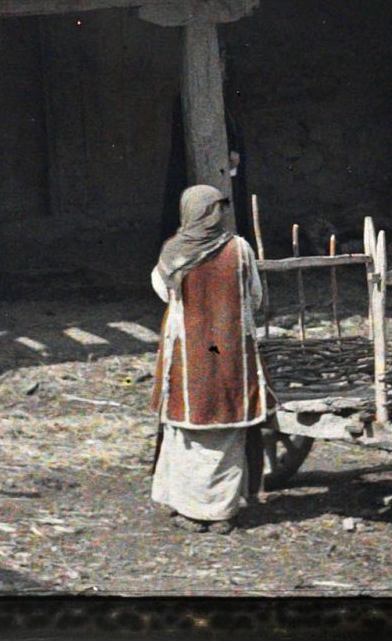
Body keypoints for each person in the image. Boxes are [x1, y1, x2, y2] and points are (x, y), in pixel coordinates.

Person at [149, 184, 269, 533]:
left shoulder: (174, 253)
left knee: (188, 429)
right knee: (226, 430)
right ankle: (220, 511)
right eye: (216, 207)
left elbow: (163, 292)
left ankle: (193, 509)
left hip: (190, 357)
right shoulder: (240, 249)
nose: (221, 214)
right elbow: (256, 297)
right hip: (229, 357)